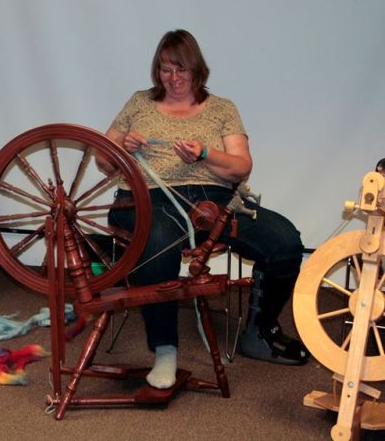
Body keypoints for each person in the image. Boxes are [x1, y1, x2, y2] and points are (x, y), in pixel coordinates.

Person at [96, 29, 308, 390]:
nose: (173, 78)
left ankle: (261, 331)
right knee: (157, 239)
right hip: (147, 199)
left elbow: (241, 167)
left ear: (197, 69)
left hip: (213, 201)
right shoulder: (139, 102)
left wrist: (205, 154)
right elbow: (103, 160)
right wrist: (121, 148)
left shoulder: (222, 108)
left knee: (284, 241)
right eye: (165, 70)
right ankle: (165, 349)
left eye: (181, 70)